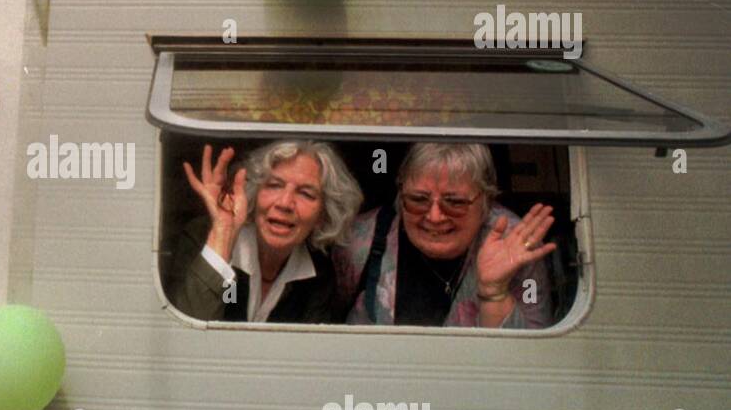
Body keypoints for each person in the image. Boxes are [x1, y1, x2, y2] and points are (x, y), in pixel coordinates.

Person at [333, 143, 556, 328]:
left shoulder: (516, 244)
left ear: (487, 201)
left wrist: (494, 293)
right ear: (401, 195)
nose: (435, 216)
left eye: (455, 202)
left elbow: (528, 358)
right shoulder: (358, 239)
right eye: (418, 199)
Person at [167, 140, 363, 323]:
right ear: (253, 193)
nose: (285, 203)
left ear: (323, 215)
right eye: (274, 185)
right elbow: (187, 337)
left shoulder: (319, 275)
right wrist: (222, 235)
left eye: (305, 193)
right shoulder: (201, 237)